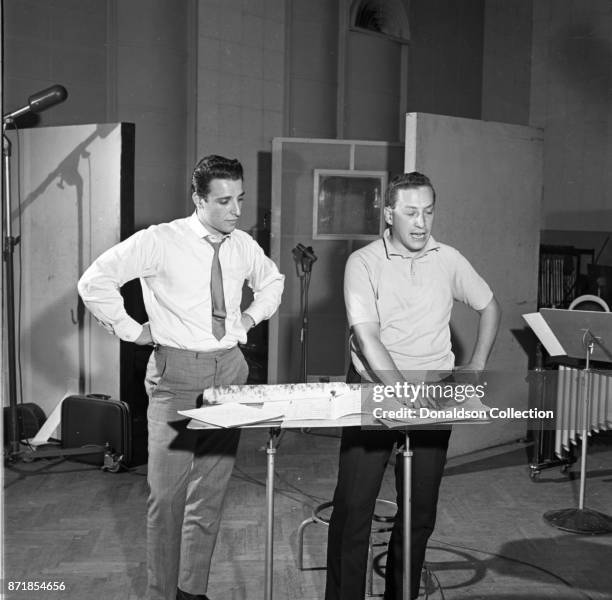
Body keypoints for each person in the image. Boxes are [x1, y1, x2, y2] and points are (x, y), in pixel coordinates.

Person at [78, 155, 284, 600]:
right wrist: (133, 331)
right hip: (177, 375)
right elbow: (94, 282)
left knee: (209, 493)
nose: (236, 210)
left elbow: (273, 281)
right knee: (166, 498)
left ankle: (193, 591)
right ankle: (160, 594)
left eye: (240, 200)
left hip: (229, 369)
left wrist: (248, 318)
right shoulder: (159, 241)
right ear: (198, 199)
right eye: (225, 201)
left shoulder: (242, 244)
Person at [325, 171, 501, 600]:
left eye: (428, 211)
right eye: (410, 212)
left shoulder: (449, 258)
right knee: (354, 509)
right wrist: (403, 390)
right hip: (375, 390)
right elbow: (367, 336)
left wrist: (476, 364)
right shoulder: (363, 262)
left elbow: (489, 305)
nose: (421, 223)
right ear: (389, 214)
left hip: (434, 390)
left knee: (419, 513)